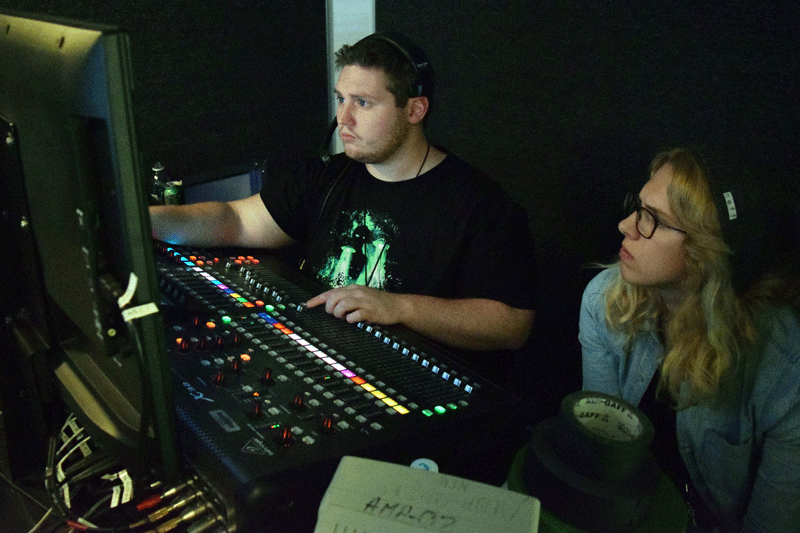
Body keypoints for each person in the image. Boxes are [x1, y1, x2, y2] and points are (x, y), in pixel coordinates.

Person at [150, 32, 537, 373]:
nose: (343, 118)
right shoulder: (327, 175)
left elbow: (512, 325)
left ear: (415, 110)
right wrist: (137, 220)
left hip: (411, 389)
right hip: (322, 363)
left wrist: (400, 308)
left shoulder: (481, 205)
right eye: (341, 98)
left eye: (363, 103)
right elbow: (233, 218)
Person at [579, 147, 800, 532]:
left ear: (706, 253)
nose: (625, 225)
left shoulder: (784, 366)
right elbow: (603, 453)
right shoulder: (604, 300)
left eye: (654, 220)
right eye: (638, 206)